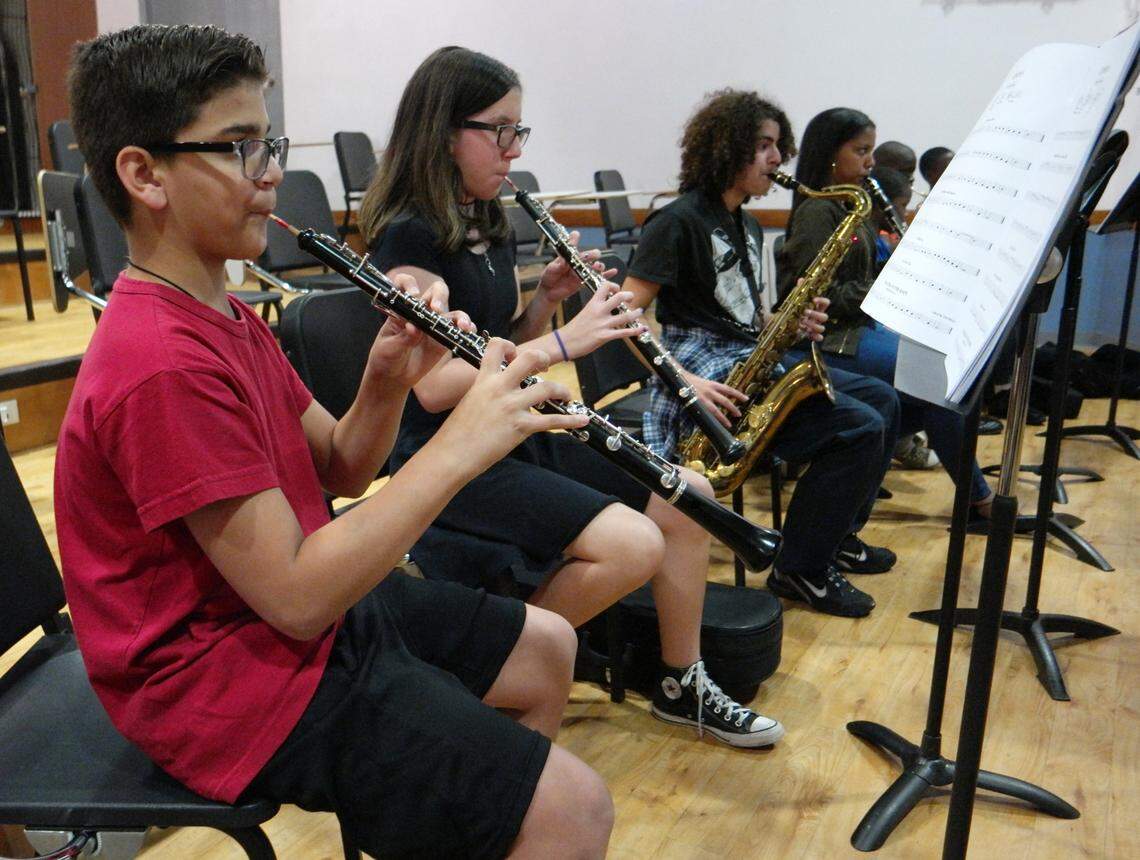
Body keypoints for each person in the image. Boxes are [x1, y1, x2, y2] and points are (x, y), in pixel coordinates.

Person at [55, 25, 616, 857]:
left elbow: (342, 465)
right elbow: (296, 595)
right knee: (576, 809)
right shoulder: (158, 364)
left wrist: (387, 378)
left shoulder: (224, 313)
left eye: (267, 142)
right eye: (240, 147)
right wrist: (459, 446)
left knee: (547, 645)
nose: (272, 171)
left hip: (275, 618)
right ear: (144, 174)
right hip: (216, 683)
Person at [359, 47, 784, 748]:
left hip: (511, 431)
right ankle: (486, 665)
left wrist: (544, 305)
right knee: (631, 548)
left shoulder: (485, 218)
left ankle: (682, 685)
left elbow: (491, 345)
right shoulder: (408, 234)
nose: (513, 149)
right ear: (441, 132)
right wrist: (561, 345)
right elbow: (434, 387)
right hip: (449, 457)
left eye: (518, 131)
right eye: (499, 130)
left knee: (690, 499)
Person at [620, 89, 901, 619]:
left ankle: (832, 538)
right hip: (701, 373)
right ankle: (801, 569)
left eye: (779, 146)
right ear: (727, 149)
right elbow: (622, 319)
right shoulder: (676, 221)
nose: (778, 160)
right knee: (857, 427)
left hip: (744, 357)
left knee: (883, 401)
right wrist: (684, 382)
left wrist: (789, 323)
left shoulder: (745, 223)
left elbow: (744, 316)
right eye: (765, 146)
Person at [778, 109, 994, 518]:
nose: (870, 162)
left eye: (871, 151)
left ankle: (873, 485)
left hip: (858, 329)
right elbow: (808, 296)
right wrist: (888, 281)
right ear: (829, 155)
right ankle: (978, 498)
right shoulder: (817, 212)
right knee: (939, 379)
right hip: (829, 338)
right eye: (861, 151)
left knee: (942, 379)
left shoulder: (849, 205)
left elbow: (858, 280)